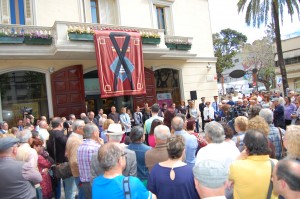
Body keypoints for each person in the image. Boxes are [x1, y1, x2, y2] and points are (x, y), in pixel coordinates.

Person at [229, 130, 278, 199]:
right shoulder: (276, 164)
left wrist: (239, 157)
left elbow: (229, 180)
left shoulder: (236, 165)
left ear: (246, 146)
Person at [77, 123, 103, 199]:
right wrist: (102, 146)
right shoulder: (96, 147)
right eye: (98, 131)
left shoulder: (80, 146)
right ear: (95, 133)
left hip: (84, 181)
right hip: (96, 181)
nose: (99, 133)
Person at [46, 117, 68, 199]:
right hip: (61, 162)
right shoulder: (58, 133)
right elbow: (67, 142)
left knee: (57, 184)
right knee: (66, 183)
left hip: (54, 161)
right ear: (60, 124)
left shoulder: (50, 133)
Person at [65, 119, 85, 199]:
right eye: (84, 127)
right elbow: (74, 160)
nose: (86, 128)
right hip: (80, 174)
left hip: (78, 173)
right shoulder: (75, 141)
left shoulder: (75, 138)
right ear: (78, 129)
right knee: (83, 195)